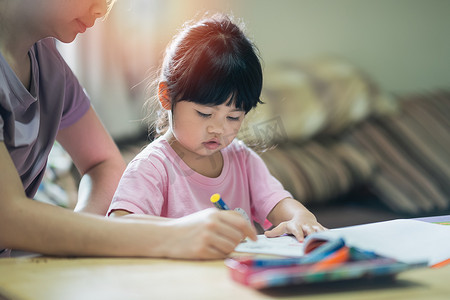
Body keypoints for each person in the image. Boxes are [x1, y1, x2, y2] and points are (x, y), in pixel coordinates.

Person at [0, 0, 256, 259]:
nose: (101, 11)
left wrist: (74, 243)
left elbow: (104, 164)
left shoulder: (48, 63)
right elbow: (7, 217)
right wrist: (173, 235)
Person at [108, 14, 326, 241]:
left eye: (233, 117)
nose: (218, 129)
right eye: (205, 114)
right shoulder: (152, 168)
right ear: (166, 96)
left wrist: (302, 216)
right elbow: (119, 225)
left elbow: (279, 203)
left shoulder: (243, 160)